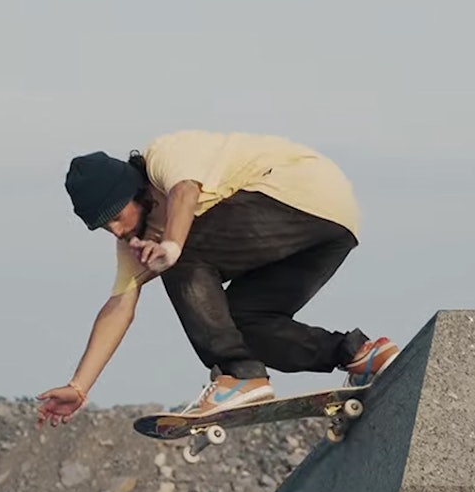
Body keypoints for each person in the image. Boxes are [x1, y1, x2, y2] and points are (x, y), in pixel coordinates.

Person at [36, 129, 399, 430]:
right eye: (105, 226)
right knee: (246, 322)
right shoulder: (137, 242)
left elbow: (185, 191)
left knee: (173, 255)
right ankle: (357, 354)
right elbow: (119, 308)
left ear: (136, 190)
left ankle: (240, 376)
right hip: (332, 229)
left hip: (297, 191)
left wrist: (173, 246)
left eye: (117, 216)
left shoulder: (164, 156)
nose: (117, 231)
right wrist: (79, 386)